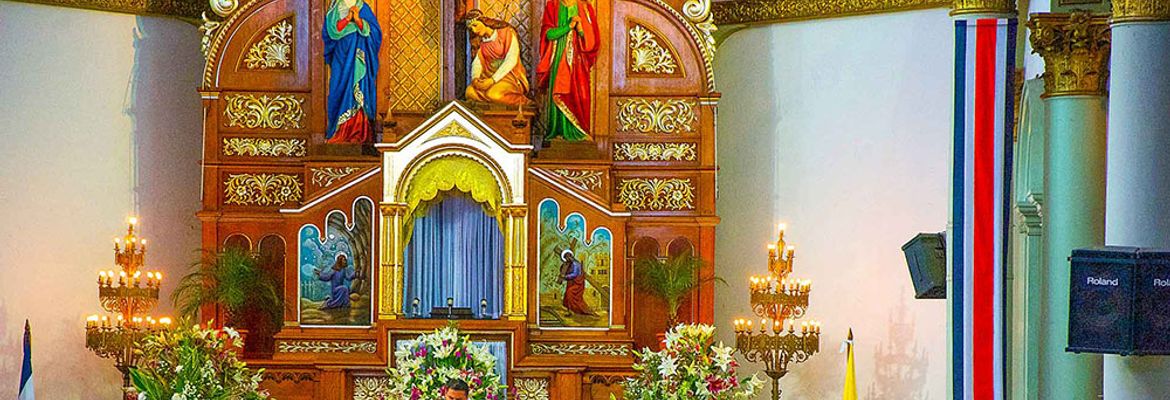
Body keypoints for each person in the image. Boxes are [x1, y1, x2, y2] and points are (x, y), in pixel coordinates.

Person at [537, 0, 599, 141]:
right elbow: (548, 35)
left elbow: (592, 42)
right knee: (558, 92)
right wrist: (568, 27)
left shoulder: (585, 7)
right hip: (558, 57)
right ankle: (557, 131)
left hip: (578, 61)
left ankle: (580, 130)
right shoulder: (553, 5)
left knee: (580, 94)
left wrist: (580, 29)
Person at [323, 0, 382, 144]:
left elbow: (374, 33)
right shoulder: (335, 7)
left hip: (358, 55)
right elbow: (331, 31)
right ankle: (338, 131)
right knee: (339, 89)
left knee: (358, 89)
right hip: (341, 56)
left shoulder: (363, 7)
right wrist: (348, 19)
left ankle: (358, 133)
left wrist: (358, 20)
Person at [464, 11, 530, 106]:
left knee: (494, 94)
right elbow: (477, 62)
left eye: (475, 25)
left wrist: (492, 80)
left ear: (484, 21)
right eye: (471, 28)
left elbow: (511, 59)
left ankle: (523, 102)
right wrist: (476, 79)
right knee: (470, 92)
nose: (474, 30)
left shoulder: (506, 32)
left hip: (508, 77)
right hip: (488, 77)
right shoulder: (480, 41)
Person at [559, 250, 595, 316]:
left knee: (570, 293)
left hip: (578, 283)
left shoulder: (576, 264)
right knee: (567, 296)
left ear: (570, 256)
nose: (567, 259)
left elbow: (575, 274)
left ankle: (577, 310)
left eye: (567, 257)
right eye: (565, 258)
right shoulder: (569, 264)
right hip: (572, 282)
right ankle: (570, 311)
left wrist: (565, 276)